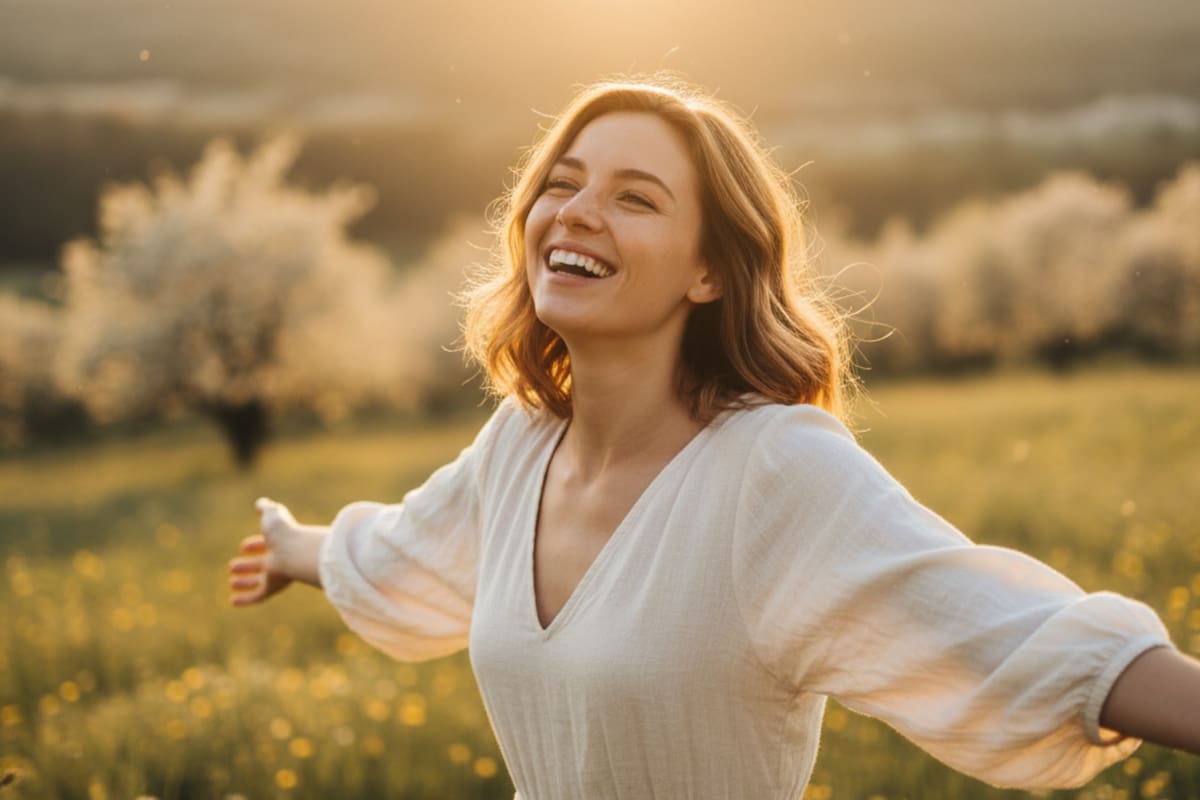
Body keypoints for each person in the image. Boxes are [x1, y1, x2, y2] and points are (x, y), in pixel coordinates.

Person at [227, 76, 1200, 797]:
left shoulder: (773, 467)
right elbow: (404, 552)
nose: (576, 211)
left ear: (709, 273)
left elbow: (1012, 635)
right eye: (562, 183)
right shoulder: (518, 446)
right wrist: (292, 546)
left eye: (635, 197)